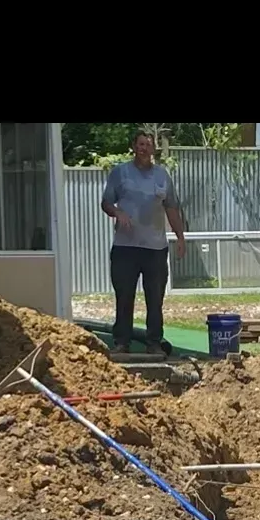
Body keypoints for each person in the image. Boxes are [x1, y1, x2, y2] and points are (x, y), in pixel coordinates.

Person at [101, 131, 186, 353]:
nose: (144, 148)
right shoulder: (120, 173)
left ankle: (154, 342)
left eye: (148, 144)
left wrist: (180, 236)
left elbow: (172, 208)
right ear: (134, 147)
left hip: (155, 249)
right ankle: (121, 342)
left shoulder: (162, 176)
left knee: (155, 298)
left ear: (153, 149)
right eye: (140, 144)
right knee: (124, 296)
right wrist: (117, 213)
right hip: (125, 248)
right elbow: (106, 202)